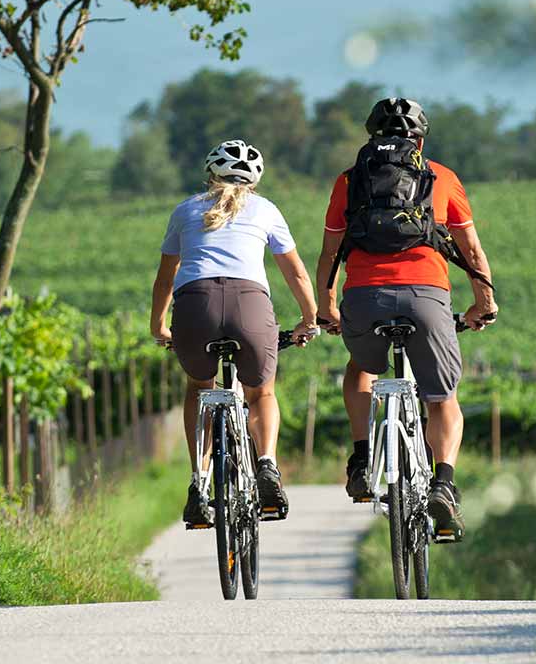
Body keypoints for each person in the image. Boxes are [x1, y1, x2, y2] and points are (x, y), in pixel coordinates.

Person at [315, 98, 498, 540]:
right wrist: (483, 303)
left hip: (363, 297)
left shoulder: (349, 180)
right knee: (442, 397)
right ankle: (444, 484)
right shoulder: (443, 178)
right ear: (420, 139)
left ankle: (361, 459)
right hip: (427, 296)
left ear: (372, 136)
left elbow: (329, 254)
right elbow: (470, 252)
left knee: (360, 368)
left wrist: (326, 308)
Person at [150, 139, 318, 527]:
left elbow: (165, 278)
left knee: (199, 388)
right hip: (250, 306)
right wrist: (309, 317)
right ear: (255, 182)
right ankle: (268, 467)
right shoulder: (267, 210)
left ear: (211, 175)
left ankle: (198, 483)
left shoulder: (185, 210)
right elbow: (295, 272)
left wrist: (158, 324)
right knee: (262, 393)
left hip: (195, 307)